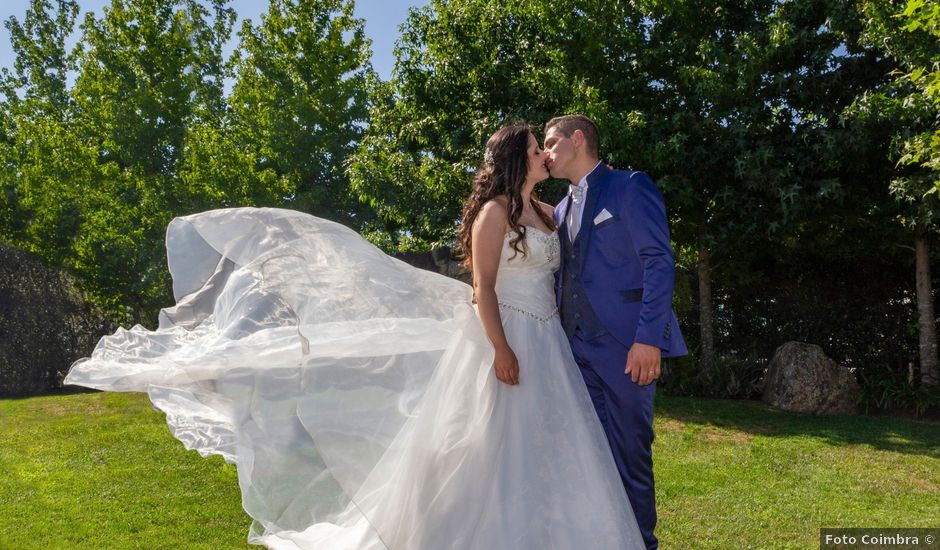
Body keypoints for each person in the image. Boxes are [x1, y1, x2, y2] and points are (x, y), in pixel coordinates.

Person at [65, 123, 646, 549]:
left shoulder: (548, 213)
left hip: (550, 344)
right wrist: (500, 349)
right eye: (535, 149)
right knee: (488, 447)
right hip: (508, 336)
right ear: (517, 159)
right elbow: (483, 289)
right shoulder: (494, 213)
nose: (545, 155)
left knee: (555, 443)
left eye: (549, 148)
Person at [542, 114, 688, 550]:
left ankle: (643, 543)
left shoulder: (629, 186)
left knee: (630, 455)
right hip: (575, 351)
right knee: (589, 455)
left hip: (627, 346)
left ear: (579, 139)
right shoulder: (562, 208)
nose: (546, 152)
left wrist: (649, 338)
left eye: (551, 142)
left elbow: (659, 262)